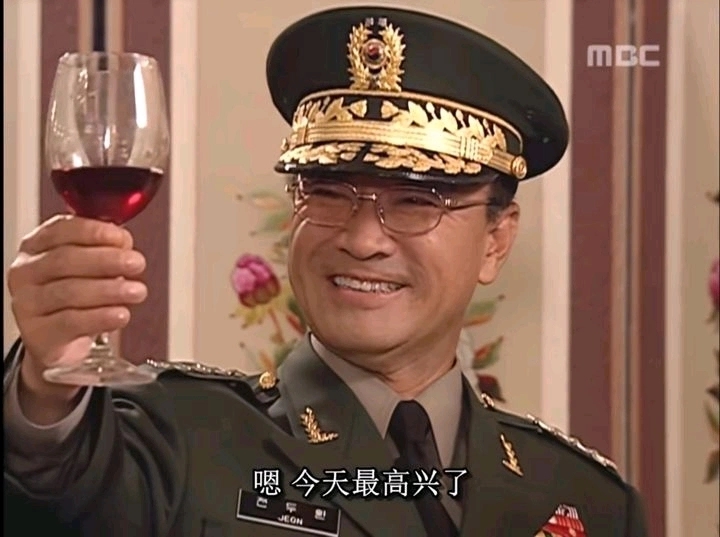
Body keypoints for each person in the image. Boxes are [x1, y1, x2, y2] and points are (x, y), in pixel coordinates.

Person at [3, 6, 648, 537]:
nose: (362, 239)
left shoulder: (581, 499)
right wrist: (46, 390)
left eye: (416, 201)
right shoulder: (171, 437)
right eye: (330, 192)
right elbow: (57, 488)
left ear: (495, 242)